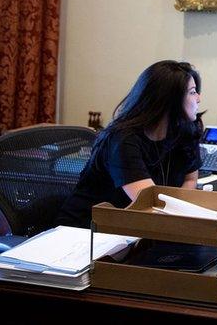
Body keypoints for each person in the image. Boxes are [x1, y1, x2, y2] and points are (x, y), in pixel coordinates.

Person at [57, 60, 204, 228]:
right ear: (168, 100)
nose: (199, 98)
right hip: (87, 232)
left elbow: (190, 179)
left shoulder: (185, 130)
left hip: (137, 228)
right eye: (192, 92)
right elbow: (150, 203)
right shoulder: (123, 140)